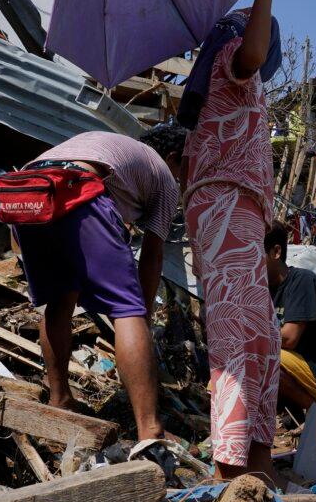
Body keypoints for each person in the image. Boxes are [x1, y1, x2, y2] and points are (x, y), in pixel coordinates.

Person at [180, 0, 284, 486]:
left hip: (236, 210)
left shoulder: (226, 91)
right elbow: (253, 53)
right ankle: (230, 468)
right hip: (225, 208)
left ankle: (258, 465)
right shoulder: (230, 59)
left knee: (261, 337)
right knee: (238, 337)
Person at [11, 126, 187, 443]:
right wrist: (142, 315)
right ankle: (150, 429)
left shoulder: (111, 145)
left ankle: (59, 399)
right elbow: (152, 255)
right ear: (173, 157)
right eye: (185, 166)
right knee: (127, 309)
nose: (184, 176)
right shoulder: (163, 175)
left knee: (60, 299)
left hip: (25, 193)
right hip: (75, 187)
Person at [264, 221, 316, 425]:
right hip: (292, 373)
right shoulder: (260, 291)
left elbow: (289, 338)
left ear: (276, 252)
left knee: (260, 356)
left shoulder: (302, 281)